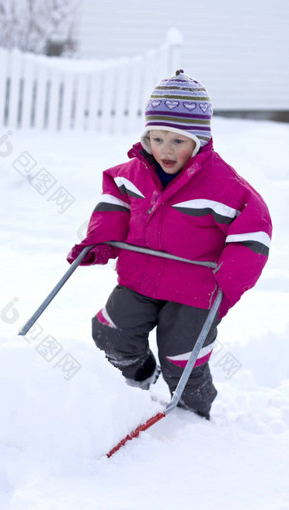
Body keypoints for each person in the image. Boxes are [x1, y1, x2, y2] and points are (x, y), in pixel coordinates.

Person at [67, 70, 272, 419]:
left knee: (182, 355)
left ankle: (194, 412)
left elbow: (254, 231)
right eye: (158, 138)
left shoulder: (224, 186)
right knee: (110, 332)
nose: (166, 149)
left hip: (195, 288)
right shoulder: (130, 175)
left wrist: (231, 278)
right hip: (140, 279)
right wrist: (99, 242)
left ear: (199, 141)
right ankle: (140, 377)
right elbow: (114, 207)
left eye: (178, 141)